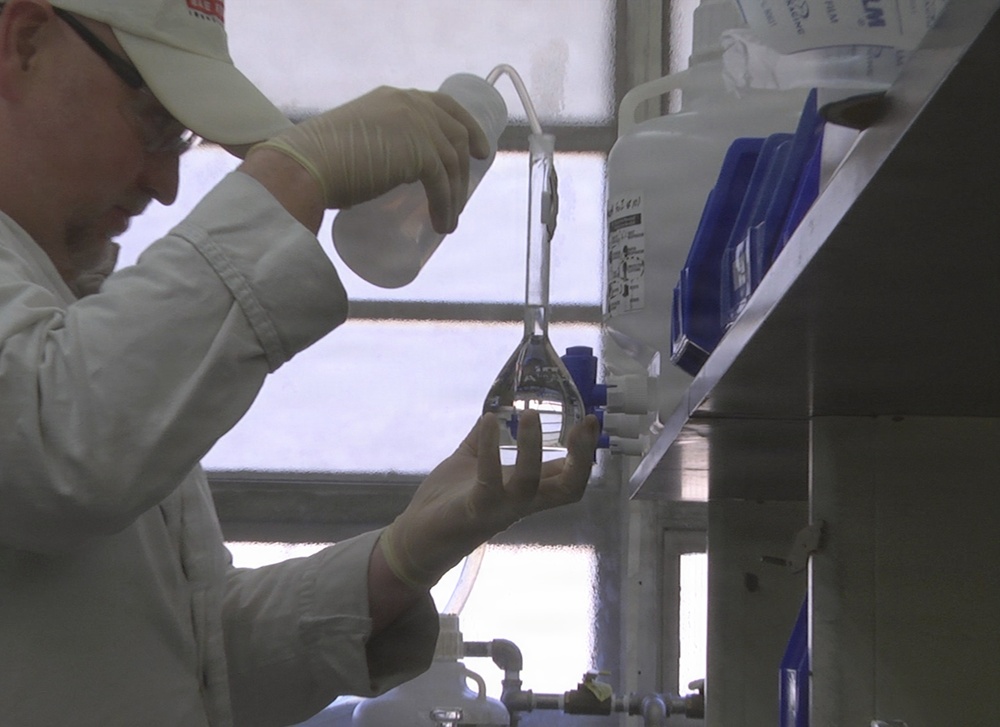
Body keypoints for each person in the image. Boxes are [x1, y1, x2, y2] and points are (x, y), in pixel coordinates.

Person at [0, 1, 600, 725]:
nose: (166, 182)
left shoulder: (72, 319)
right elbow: (55, 443)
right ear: (25, 41)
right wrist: (294, 176)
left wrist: (398, 561)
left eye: (181, 136)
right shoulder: (67, 374)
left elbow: (194, 660)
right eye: (153, 120)